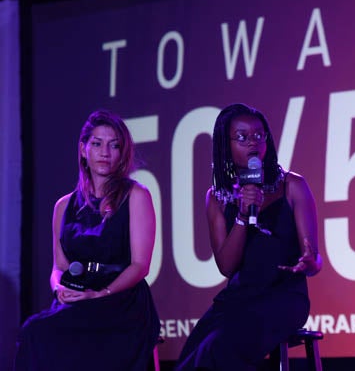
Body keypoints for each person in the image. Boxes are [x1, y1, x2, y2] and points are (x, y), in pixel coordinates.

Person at [175, 103, 322, 371]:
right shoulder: (217, 198)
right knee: (192, 357)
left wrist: (311, 262)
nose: (253, 142)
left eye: (259, 135)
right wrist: (243, 215)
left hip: (284, 297)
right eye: (242, 137)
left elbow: (313, 260)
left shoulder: (293, 186)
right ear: (225, 145)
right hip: (238, 299)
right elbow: (227, 266)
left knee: (218, 348)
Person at [14, 110, 160, 371]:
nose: (105, 152)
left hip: (119, 301)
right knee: (34, 331)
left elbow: (140, 265)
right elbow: (59, 267)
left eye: (114, 145)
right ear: (83, 149)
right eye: (97, 143)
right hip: (78, 297)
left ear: (122, 153)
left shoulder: (136, 195)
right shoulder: (63, 205)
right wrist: (59, 289)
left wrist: (101, 293)